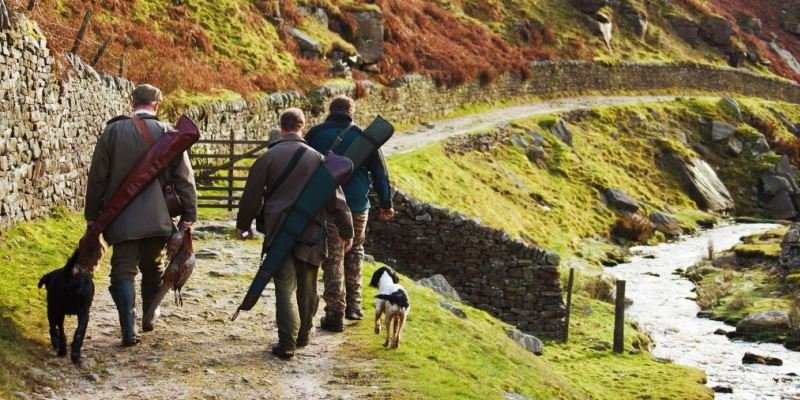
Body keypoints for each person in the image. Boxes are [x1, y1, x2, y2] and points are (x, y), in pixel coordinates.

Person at [85, 84, 197, 346]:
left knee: (122, 270)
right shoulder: (169, 133)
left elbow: (97, 177)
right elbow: (185, 180)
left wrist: (93, 217)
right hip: (159, 219)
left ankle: (128, 329)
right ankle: (149, 316)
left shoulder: (113, 131)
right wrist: (188, 216)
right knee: (153, 266)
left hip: (121, 218)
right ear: (157, 105)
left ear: (132, 101)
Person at [236, 108, 354, 359]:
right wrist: (347, 231)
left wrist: (244, 225)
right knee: (308, 287)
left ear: (281, 127)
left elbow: (251, 197)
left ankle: (287, 342)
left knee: (284, 287)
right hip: (311, 232)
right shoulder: (319, 159)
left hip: (278, 232)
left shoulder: (267, 158)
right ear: (302, 127)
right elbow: (337, 201)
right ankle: (304, 335)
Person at [305, 95, 395, 331]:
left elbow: (304, 165)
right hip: (357, 205)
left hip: (328, 204)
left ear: (330, 110)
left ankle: (335, 311)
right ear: (351, 113)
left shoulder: (315, 135)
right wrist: (386, 204)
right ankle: (354, 306)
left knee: (333, 255)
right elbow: (380, 174)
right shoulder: (365, 138)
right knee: (355, 251)